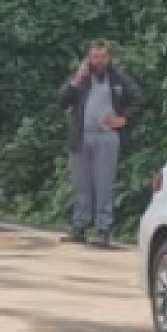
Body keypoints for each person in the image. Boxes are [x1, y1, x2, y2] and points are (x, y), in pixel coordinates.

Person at [58, 40, 144, 246]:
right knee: (81, 184)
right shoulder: (81, 79)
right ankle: (79, 227)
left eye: (103, 57)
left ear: (109, 58)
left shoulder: (118, 78)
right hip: (81, 136)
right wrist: (76, 79)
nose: (99, 61)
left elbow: (138, 98)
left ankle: (104, 228)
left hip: (107, 137)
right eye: (94, 57)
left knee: (104, 184)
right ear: (88, 58)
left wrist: (124, 118)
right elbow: (62, 100)